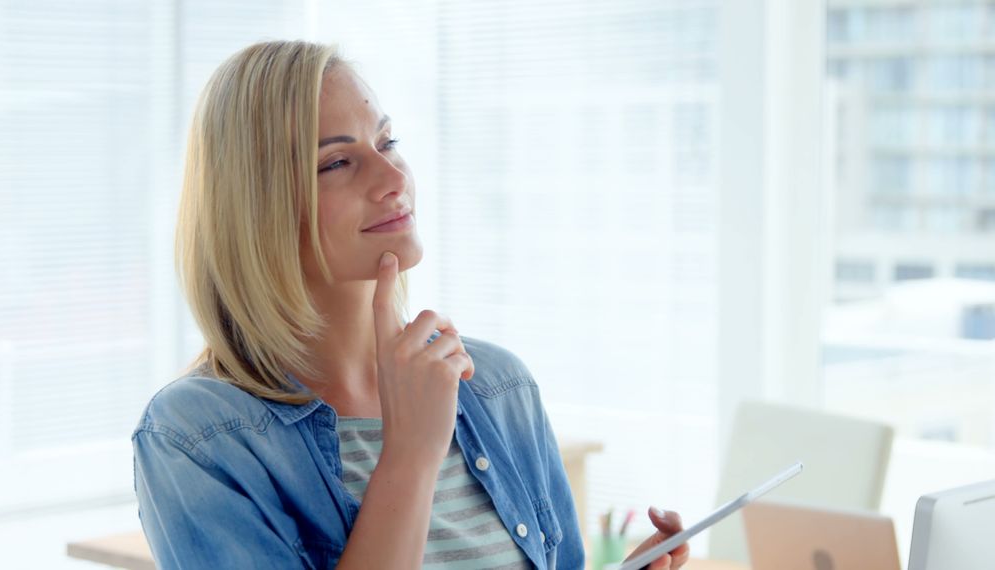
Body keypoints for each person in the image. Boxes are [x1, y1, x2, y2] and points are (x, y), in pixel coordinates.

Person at [132, 39, 690, 570]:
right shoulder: (197, 435)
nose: (393, 177)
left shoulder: (496, 385)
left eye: (388, 143)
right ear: (257, 208)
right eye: (336, 163)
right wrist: (410, 455)